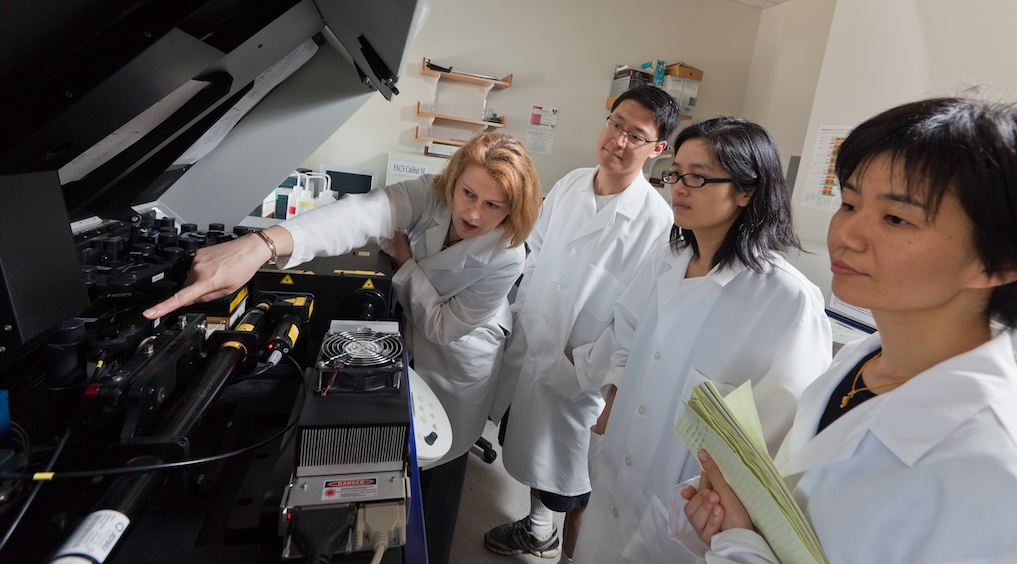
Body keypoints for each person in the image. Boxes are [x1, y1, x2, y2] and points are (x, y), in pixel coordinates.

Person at [144, 132, 543, 564]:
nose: (471, 212)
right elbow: (363, 212)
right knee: (399, 452)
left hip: (461, 359)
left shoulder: (508, 256)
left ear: (512, 209)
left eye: (492, 205)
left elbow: (444, 326)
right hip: (413, 334)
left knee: (441, 464)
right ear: (454, 180)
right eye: (468, 193)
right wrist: (261, 245)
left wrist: (404, 262)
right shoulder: (430, 195)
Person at [672, 97, 1017, 563]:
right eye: (850, 203)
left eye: (896, 218)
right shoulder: (859, 362)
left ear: (998, 262)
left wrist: (740, 547)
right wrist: (741, 527)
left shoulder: (991, 469)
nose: (846, 235)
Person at [569, 117, 832, 564]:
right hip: (618, 465)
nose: (678, 188)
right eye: (675, 173)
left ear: (747, 191)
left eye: (697, 176)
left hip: (688, 512)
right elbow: (628, 332)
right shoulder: (670, 255)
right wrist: (607, 413)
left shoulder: (788, 301)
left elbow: (780, 444)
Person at [485, 85, 680, 562]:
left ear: (658, 150)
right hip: (535, 345)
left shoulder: (658, 222)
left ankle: (572, 553)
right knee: (528, 445)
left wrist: (584, 371)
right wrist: (523, 311)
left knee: (578, 482)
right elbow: (535, 255)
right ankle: (536, 528)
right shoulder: (572, 183)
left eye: (635, 135)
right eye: (615, 124)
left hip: (585, 373)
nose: (617, 141)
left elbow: (635, 320)